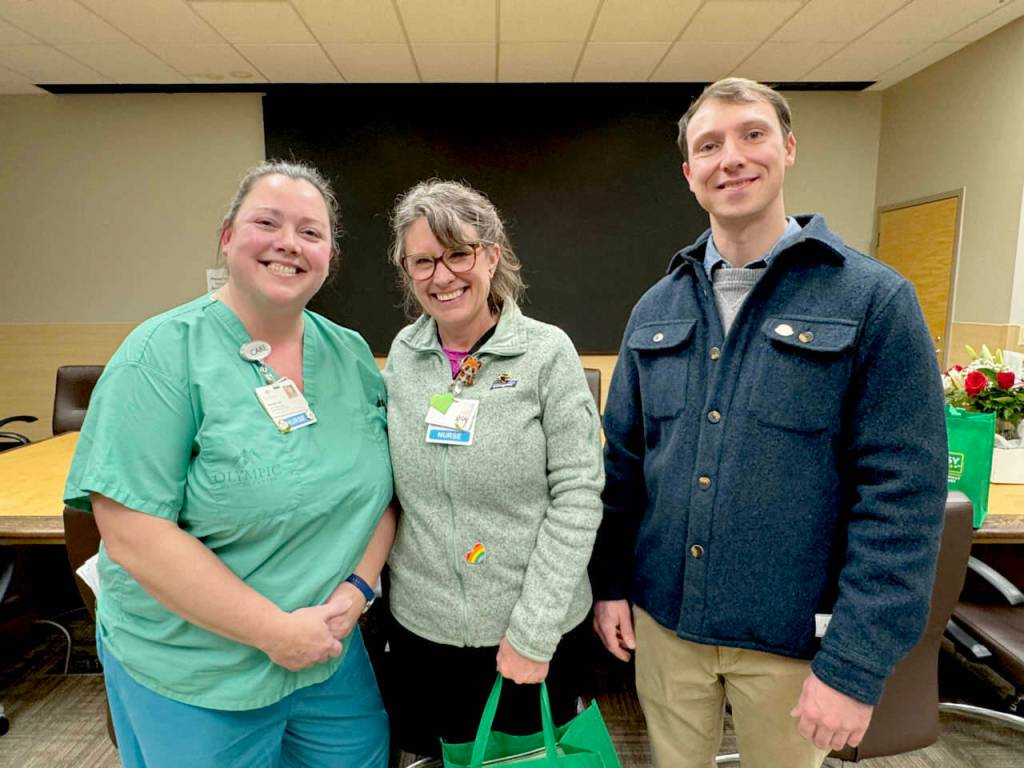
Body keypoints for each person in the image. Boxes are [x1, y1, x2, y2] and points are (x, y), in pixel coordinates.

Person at [591, 78, 947, 768]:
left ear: (787, 148)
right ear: (689, 172)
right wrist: (609, 584)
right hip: (666, 627)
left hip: (792, 640)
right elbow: (623, 470)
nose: (731, 158)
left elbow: (902, 502)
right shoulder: (656, 308)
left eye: (751, 135)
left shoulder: (873, 301)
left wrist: (854, 665)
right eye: (709, 145)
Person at [64, 160, 395, 768]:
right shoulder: (160, 356)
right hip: (197, 668)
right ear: (226, 237)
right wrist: (275, 633)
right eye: (266, 223)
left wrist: (357, 588)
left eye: (310, 232)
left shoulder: (350, 355)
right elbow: (133, 532)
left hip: (327, 652)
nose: (288, 243)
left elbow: (384, 494)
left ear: (329, 256)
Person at [381, 179, 604, 758]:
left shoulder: (547, 354)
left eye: (459, 254)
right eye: (423, 261)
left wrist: (533, 631)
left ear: (492, 256)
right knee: (441, 758)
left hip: (529, 635)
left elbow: (579, 497)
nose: (442, 276)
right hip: (423, 635)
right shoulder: (404, 356)